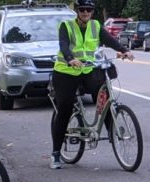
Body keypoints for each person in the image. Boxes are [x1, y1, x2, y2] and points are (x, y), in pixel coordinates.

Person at [50, 0, 134, 169]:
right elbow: (64, 45)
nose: (86, 12)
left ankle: (113, 132)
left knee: (104, 97)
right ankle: (56, 153)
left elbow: (109, 40)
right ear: (77, 11)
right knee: (64, 108)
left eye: (89, 10)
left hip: (87, 70)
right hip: (66, 71)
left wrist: (124, 50)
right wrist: (70, 58)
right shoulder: (66, 26)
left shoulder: (95, 25)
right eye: (82, 9)